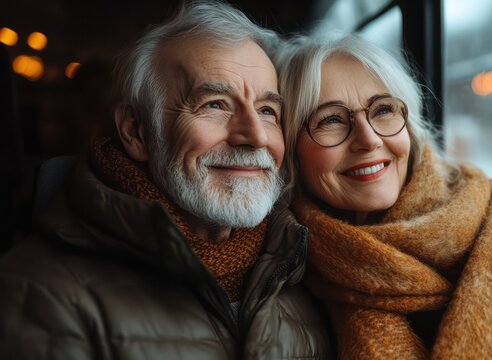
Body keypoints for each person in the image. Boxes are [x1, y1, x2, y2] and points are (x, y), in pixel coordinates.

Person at [0, 2, 331, 359]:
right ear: (136, 131)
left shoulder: (306, 273)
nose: (255, 135)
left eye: (268, 111)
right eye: (215, 105)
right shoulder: (38, 292)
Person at [277, 34, 492, 359]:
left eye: (383, 109)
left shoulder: (484, 214)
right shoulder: (284, 273)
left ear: (408, 126)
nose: (368, 139)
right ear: (292, 151)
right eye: (331, 120)